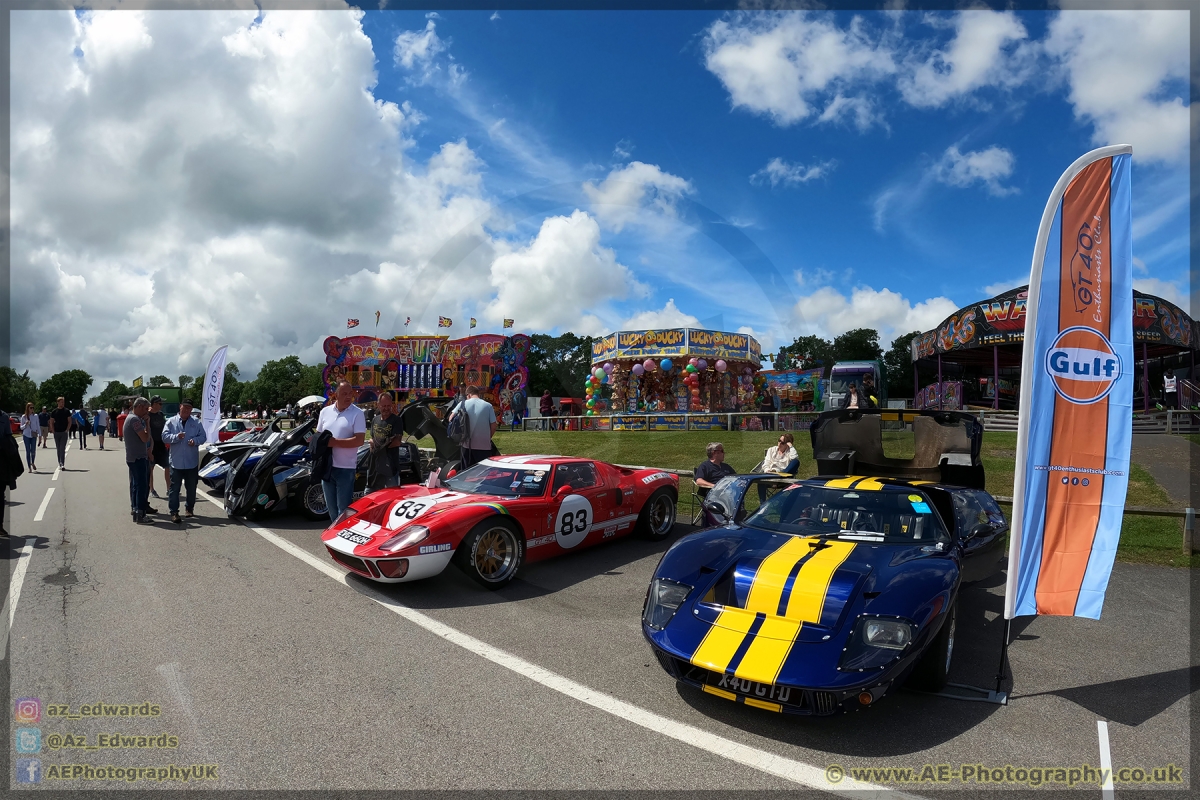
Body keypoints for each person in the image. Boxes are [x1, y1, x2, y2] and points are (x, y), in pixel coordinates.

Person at [316, 381, 366, 521]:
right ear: (335, 395)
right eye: (344, 393)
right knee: (331, 509)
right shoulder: (325, 412)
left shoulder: (357, 413)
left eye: (350, 393)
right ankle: (334, 537)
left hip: (345, 469)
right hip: (327, 467)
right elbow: (319, 436)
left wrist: (334, 443)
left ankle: (342, 538)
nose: (348, 396)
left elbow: (359, 440)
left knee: (343, 510)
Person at [163, 399, 207, 524]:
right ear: (180, 407)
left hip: (191, 461)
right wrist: (176, 437)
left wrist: (195, 441)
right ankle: (174, 512)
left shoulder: (196, 422)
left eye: (189, 408)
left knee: (191, 487)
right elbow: (164, 436)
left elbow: (203, 437)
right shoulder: (171, 421)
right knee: (174, 488)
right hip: (176, 462)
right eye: (185, 407)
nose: (187, 410)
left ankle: (189, 508)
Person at [124, 397, 155, 523]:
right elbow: (145, 438)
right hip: (138, 457)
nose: (147, 412)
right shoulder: (135, 420)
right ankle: (141, 514)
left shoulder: (130, 418)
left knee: (136, 485)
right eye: (146, 409)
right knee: (141, 486)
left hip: (133, 457)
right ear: (140, 406)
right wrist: (147, 424)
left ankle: (136, 510)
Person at [451, 385, 496, 470]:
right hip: (484, 446)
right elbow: (493, 426)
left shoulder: (463, 403)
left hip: (466, 445)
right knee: (483, 473)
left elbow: (451, 418)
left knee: (466, 473)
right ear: (478, 394)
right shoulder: (488, 406)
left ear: (468, 395)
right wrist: (488, 437)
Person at [369, 392, 405, 489]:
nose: (386, 408)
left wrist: (377, 445)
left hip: (391, 468)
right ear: (378, 405)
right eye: (384, 406)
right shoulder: (375, 420)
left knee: (392, 496)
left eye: (388, 406)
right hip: (375, 467)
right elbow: (371, 439)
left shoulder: (397, 420)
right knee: (372, 496)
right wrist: (383, 442)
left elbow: (397, 441)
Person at [759, 432, 799, 502]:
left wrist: (791, 447)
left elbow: (795, 457)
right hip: (770, 475)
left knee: (796, 462)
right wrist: (768, 471)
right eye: (779, 440)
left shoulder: (789, 452)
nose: (779, 443)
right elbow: (766, 463)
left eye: (782, 443)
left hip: (784, 477)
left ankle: (779, 477)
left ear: (787, 445)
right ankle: (762, 506)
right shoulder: (771, 450)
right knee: (760, 481)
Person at [147, 396, 170, 500]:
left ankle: (169, 489)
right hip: (151, 444)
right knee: (151, 468)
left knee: (167, 466)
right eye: (160, 404)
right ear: (154, 404)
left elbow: (165, 427)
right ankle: (152, 489)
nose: (161, 406)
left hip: (161, 444)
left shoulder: (160, 415)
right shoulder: (147, 415)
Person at [0, 408, 18, 536]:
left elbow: (8, 437)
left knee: (0, 495)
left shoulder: (3, 417)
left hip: (1, 460)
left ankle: (0, 525)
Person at [48, 397, 71, 470]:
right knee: (58, 448)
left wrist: (67, 429)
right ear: (57, 402)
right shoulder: (54, 412)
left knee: (62, 448)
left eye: (63, 402)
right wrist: (53, 430)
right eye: (61, 402)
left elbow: (69, 421)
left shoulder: (66, 411)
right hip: (57, 432)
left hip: (64, 432)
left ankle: (62, 463)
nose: (62, 403)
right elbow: (51, 422)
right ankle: (59, 462)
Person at [19, 402, 40, 472]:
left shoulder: (35, 416)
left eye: (33, 408)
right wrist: (25, 424)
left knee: (33, 450)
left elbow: (38, 426)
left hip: (33, 435)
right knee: (28, 451)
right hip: (26, 435)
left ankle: (32, 462)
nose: (32, 409)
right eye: (31, 408)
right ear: (27, 408)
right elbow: (21, 427)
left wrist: (40, 435)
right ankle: (29, 467)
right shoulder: (23, 417)